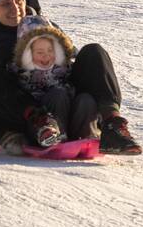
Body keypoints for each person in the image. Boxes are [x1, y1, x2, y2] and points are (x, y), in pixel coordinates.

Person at [0, 0, 142, 156]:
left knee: (93, 52)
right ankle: (39, 122)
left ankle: (112, 125)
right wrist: (3, 135)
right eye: (5, 4)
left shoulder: (44, 25)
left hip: (62, 100)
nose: (15, 8)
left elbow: (72, 61)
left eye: (18, 1)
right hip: (22, 116)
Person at [11, 15, 99, 145]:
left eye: (50, 50)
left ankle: (87, 135)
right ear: (27, 53)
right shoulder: (19, 72)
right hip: (40, 123)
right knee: (58, 94)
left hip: (70, 118)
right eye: (39, 52)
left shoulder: (66, 66)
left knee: (85, 99)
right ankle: (54, 136)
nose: (46, 55)